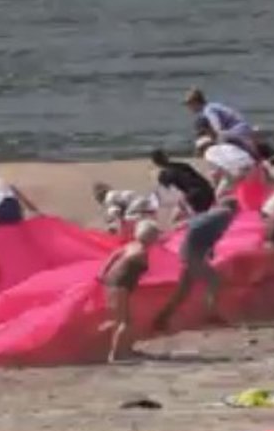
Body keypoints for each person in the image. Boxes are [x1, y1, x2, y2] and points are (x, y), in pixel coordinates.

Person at [152, 196, 239, 331]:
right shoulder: (225, 214)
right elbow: (201, 227)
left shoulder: (215, 214)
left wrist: (208, 249)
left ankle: (161, 318)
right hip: (193, 252)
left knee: (184, 291)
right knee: (214, 280)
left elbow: (198, 226)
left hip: (190, 251)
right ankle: (210, 314)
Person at [97, 220, 160, 363]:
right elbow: (142, 271)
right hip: (121, 285)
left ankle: (123, 349)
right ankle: (116, 354)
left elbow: (114, 255)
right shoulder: (142, 253)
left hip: (111, 281)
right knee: (124, 322)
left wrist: (103, 272)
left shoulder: (131, 246)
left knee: (118, 319)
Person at [184, 88, 257, 152]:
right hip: (242, 128)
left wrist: (213, 142)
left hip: (238, 130)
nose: (189, 108)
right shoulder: (212, 106)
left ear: (195, 102)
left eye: (189, 104)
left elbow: (218, 128)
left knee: (209, 141)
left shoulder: (209, 110)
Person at [151, 148, 215, 219]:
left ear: (155, 163)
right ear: (166, 157)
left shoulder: (164, 175)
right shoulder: (183, 165)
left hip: (194, 196)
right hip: (207, 190)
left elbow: (170, 195)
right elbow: (199, 178)